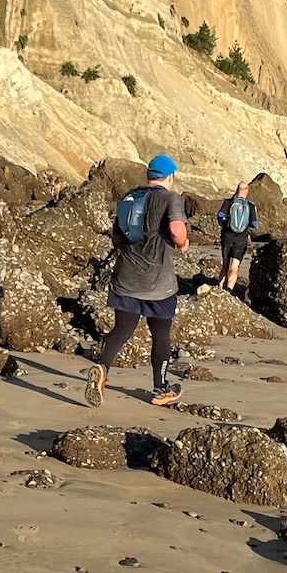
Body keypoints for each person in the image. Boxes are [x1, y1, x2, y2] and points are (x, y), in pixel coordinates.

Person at [85, 154, 189, 408]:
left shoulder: (130, 196)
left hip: (125, 277)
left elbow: (117, 237)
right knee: (160, 334)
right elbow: (176, 230)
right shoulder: (170, 199)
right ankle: (160, 388)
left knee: (123, 329)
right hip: (158, 282)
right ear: (170, 176)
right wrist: (184, 243)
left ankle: (102, 366)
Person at [216, 180, 258, 290]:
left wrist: (224, 223)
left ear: (237, 190)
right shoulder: (250, 206)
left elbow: (220, 215)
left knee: (225, 265)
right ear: (247, 191)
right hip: (240, 240)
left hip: (227, 237)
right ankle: (229, 290)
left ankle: (220, 289)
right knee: (235, 266)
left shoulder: (229, 202)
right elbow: (254, 224)